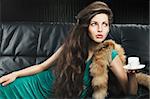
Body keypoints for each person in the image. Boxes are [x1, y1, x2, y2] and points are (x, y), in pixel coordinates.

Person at [0, 1, 137, 98]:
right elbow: (42, 67)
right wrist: (15, 74)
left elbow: (130, 92)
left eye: (105, 24)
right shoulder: (72, 46)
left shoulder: (109, 55)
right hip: (28, 86)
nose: (100, 29)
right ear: (86, 26)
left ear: (109, 27)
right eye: (94, 24)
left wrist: (132, 74)